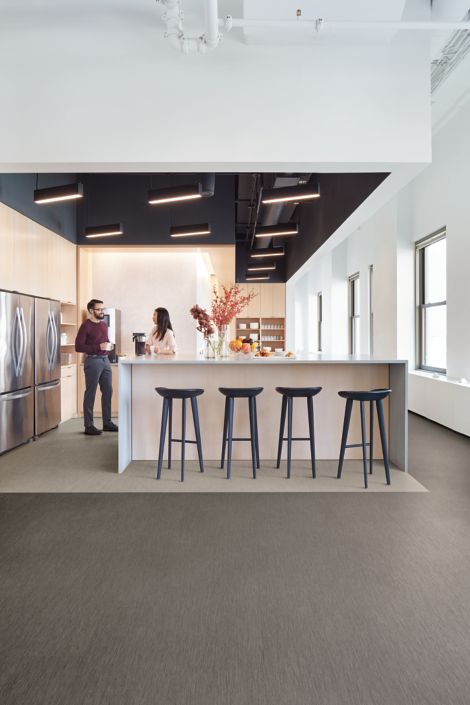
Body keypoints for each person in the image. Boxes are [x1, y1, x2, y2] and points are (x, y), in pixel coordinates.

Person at [75, 299, 118, 436]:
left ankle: (107, 423)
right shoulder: (85, 326)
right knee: (91, 393)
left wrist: (109, 346)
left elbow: (106, 341)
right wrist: (97, 347)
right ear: (91, 311)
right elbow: (78, 347)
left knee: (108, 391)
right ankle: (88, 425)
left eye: (102, 309)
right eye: (99, 309)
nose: (102, 312)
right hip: (92, 361)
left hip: (105, 361)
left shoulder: (103, 325)